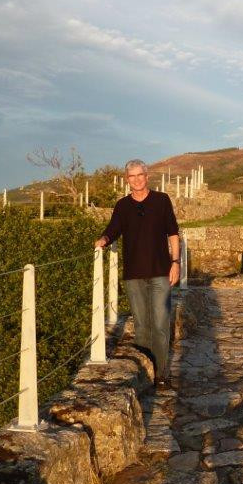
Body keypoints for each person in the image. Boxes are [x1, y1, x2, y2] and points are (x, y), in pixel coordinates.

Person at [95, 159, 180, 387]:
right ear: (127, 179)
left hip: (161, 272)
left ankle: (162, 374)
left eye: (139, 175)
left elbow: (173, 233)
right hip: (134, 275)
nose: (136, 180)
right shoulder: (122, 205)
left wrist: (176, 262)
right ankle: (146, 373)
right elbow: (113, 229)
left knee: (161, 324)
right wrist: (103, 240)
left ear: (147, 175)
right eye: (131, 176)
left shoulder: (162, 200)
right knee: (142, 327)